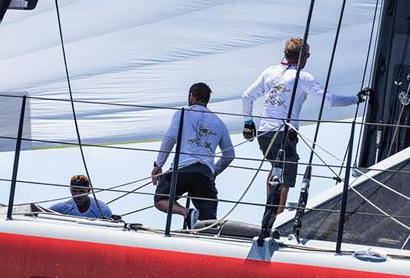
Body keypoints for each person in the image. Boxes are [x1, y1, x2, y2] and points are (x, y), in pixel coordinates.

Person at [241, 37, 368, 214]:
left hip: (264, 132)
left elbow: (247, 97)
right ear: (303, 57)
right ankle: (277, 218)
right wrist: (356, 99)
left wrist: (248, 123)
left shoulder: (270, 71)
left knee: (275, 168)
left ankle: (267, 213)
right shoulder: (303, 77)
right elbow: (329, 101)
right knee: (286, 174)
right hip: (285, 132)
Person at [152, 82, 235, 229]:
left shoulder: (183, 113)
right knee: (208, 221)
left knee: (160, 199)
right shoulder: (219, 122)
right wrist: (214, 171)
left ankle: (186, 213)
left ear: (191, 96)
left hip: (182, 170)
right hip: (204, 173)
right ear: (207, 99)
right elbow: (229, 155)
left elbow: (170, 138)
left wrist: (158, 165)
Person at [48, 174, 113, 219]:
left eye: (81, 191)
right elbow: (45, 213)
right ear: (70, 191)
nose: (77, 195)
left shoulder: (102, 210)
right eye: (74, 191)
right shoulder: (63, 208)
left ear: (88, 191)